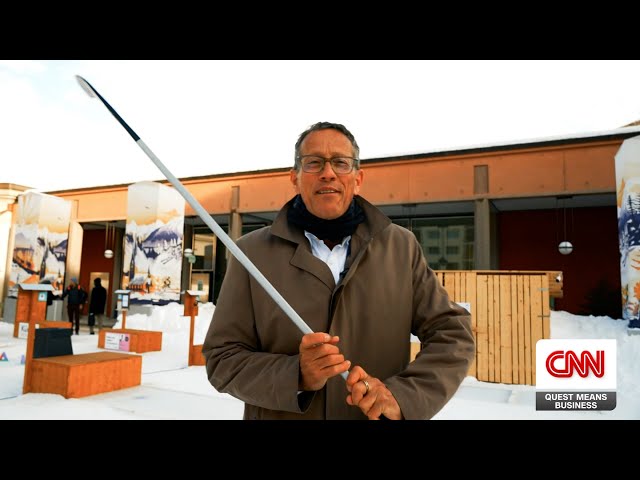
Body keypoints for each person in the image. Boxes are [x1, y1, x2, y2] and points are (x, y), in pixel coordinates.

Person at [202, 122, 475, 420]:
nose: (328, 172)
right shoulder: (252, 253)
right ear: (294, 177)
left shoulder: (400, 246)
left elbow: (452, 334)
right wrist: (295, 375)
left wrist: (403, 396)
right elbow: (222, 359)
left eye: (340, 163)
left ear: (357, 179)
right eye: (314, 162)